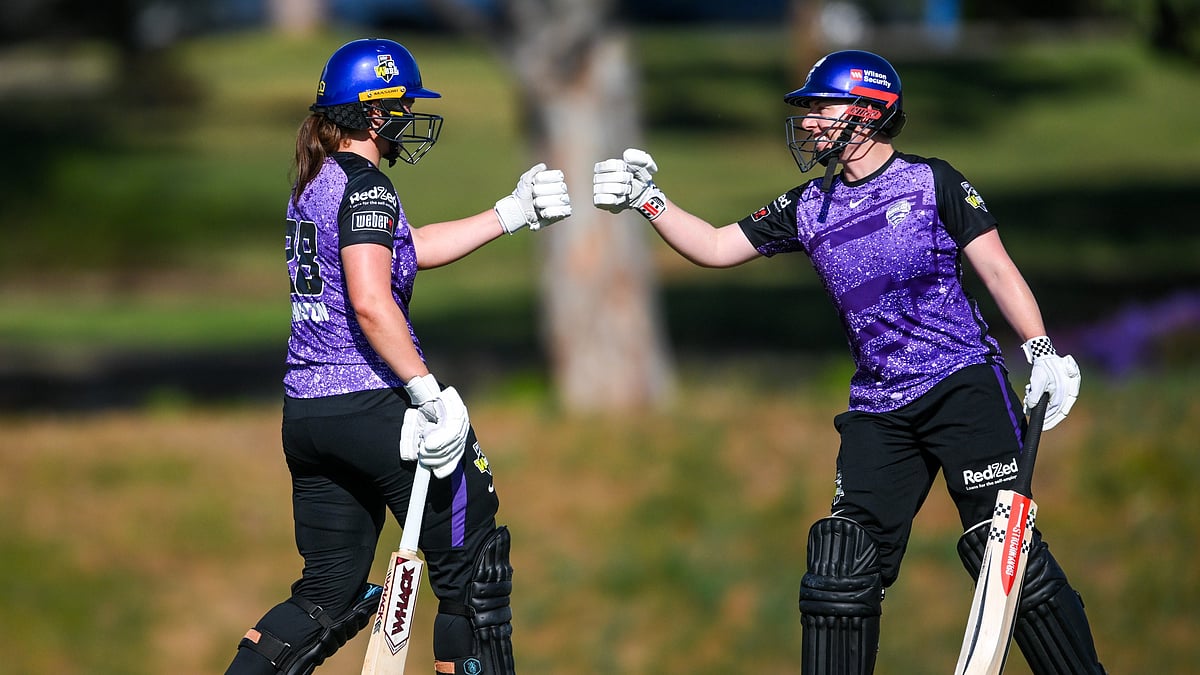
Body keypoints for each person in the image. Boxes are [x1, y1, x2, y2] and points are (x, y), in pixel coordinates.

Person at [592, 50, 1104, 674]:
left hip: (960, 383)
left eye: (820, 107)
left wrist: (1040, 348)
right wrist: (650, 202)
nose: (808, 122)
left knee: (1003, 551)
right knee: (843, 561)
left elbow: (996, 267)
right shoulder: (807, 206)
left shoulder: (932, 182)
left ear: (869, 109)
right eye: (804, 110)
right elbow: (718, 246)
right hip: (879, 406)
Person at [225, 38, 570, 675]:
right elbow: (371, 301)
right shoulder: (368, 188)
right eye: (403, 105)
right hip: (375, 407)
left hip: (309, 415)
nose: (410, 117)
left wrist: (509, 213)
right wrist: (427, 393)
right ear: (375, 113)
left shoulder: (317, 178)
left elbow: (402, 248)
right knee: (473, 576)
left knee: (330, 589)